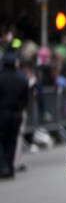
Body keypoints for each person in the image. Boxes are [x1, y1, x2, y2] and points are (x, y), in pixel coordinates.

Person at [0, 49, 29, 179]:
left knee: (2, 140)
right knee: (12, 141)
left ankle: (3, 166)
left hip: (2, 112)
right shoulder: (21, 78)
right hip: (16, 112)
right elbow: (26, 97)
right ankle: (10, 168)